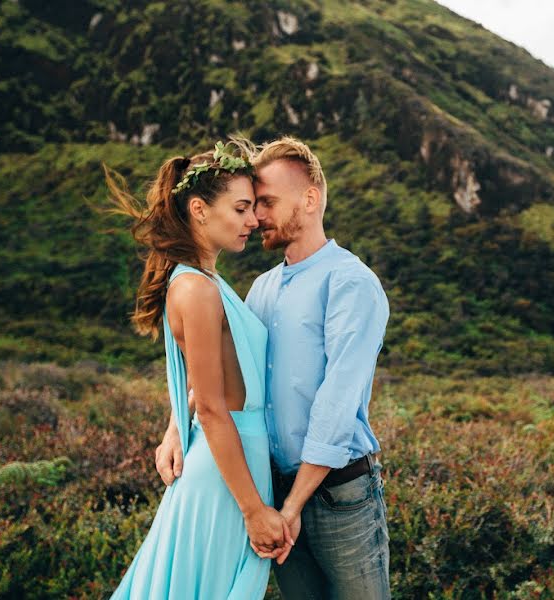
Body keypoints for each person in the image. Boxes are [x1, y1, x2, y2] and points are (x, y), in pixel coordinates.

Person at [156, 137, 391, 599]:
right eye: (251, 204)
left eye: (266, 203)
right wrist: (175, 426)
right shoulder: (261, 288)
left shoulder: (351, 282)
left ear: (310, 199)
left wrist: (293, 505)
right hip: (274, 488)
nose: (256, 217)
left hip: (339, 495)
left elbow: (336, 405)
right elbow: (228, 374)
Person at [106, 137, 292, 599]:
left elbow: (203, 383)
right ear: (200, 210)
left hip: (235, 459)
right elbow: (211, 409)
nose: (254, 220)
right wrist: (252, 510)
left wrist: (175, 426)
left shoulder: (206, 282)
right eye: (242, 208)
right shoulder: (197, 289)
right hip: (226, 473)